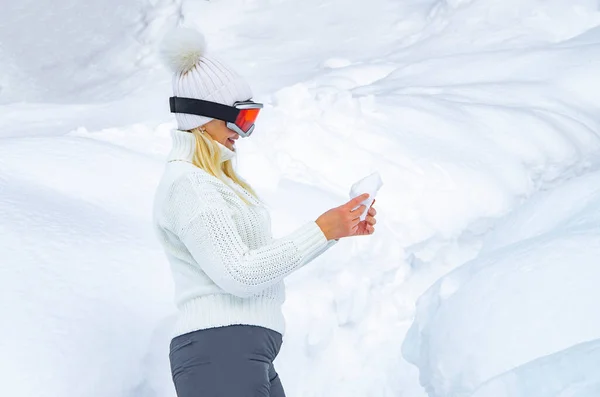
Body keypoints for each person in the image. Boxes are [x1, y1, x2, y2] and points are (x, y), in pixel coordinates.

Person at [152, 27, 378, 397]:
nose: (245, 131)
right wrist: (322, 229)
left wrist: (336, 229)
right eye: (241, 118)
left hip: (243, 352)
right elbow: (240, 274)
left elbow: (258, 264)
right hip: (221, 352)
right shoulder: (189, 185)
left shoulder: (219, 184)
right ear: (203, 117)